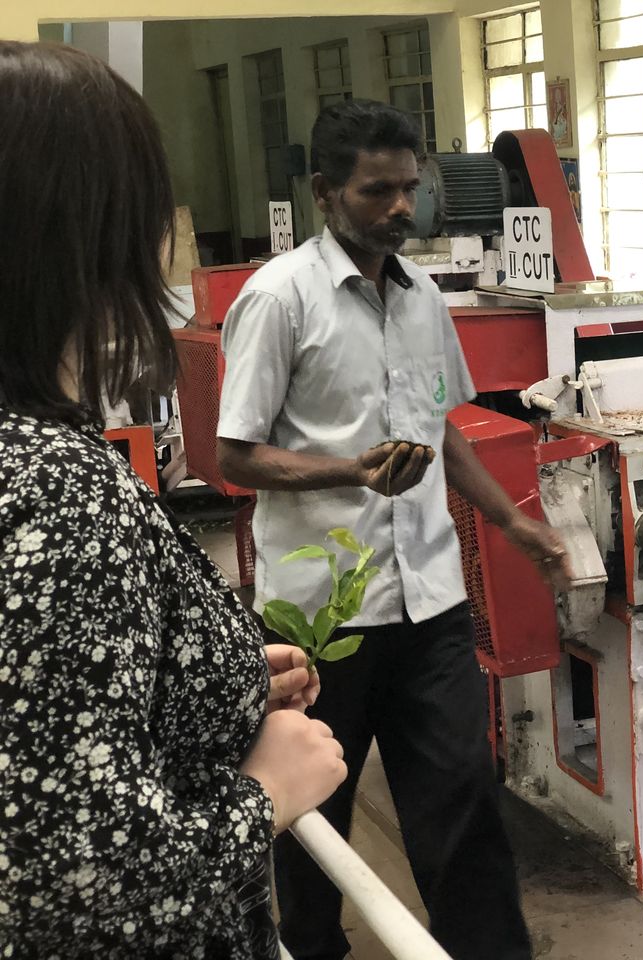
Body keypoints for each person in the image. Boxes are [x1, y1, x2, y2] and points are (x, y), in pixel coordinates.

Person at [0, 41, 347, 959]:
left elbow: (38, 714)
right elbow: (75, 886)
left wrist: (201, 681)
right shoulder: (60, 493)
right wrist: (266, 797)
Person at [216, 98, 571, 960]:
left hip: (431, 601)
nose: (401, 207)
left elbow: (441, 427)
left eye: (410, 188)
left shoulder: (422, 300)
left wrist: (512, 522)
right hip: (320, 616)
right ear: (324, 192)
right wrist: (352, 470)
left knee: (463, 798)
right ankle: (309, 948)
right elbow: (235, 455)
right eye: (378, 191)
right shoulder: (280, 298)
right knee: (312, 813)